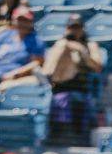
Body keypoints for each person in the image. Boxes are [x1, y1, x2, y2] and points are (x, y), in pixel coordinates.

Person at [40, 12, 104, 145]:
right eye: (72, 27)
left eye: (77, 27)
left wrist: (81, 51)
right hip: (58, 86)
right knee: (62, 46)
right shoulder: (61, 44)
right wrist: (68, 46)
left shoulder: (89, 45)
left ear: (82, 29)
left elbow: (98, 67)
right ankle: (46, 77)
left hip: (80, 87)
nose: (74, 31)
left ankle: (46, 78)